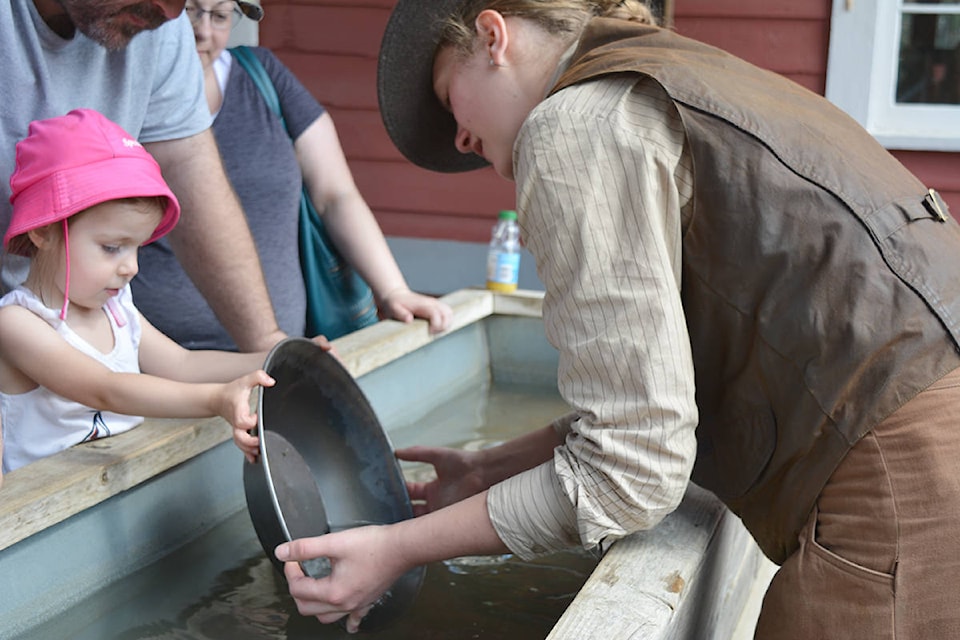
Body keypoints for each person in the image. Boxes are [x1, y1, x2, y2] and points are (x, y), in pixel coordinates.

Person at [273, 1, 960, 637]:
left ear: (492, 36)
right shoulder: (668, 70)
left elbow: (634, 470)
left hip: (907, 466)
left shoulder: (575, 124)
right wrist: (491, 467)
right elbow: (657, 406)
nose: (457, 138)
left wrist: (394, 549)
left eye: (449, 94)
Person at [132, 0, 452, 350]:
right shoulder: (127, 88)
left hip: (279, 355)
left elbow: (336, 194)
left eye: (220, 15)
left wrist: (393, 290)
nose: (203, 31)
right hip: (159, 371)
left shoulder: (263, 75)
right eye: (191, 10)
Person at [0, 109, 297, 480]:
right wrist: (215, 399)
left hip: (114, 490)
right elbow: (104, 389)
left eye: (137, 247)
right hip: (46, 520)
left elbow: (184, 365)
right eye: (112, 247)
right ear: (43, 232)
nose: (131, 267)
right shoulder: (18, 323)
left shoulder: (117, 309)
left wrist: (280, 359)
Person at [1, 0, 286, 353]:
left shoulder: (164, 26)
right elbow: (113, 391)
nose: (171, 13)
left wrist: (270, 348)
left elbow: (188, 163)